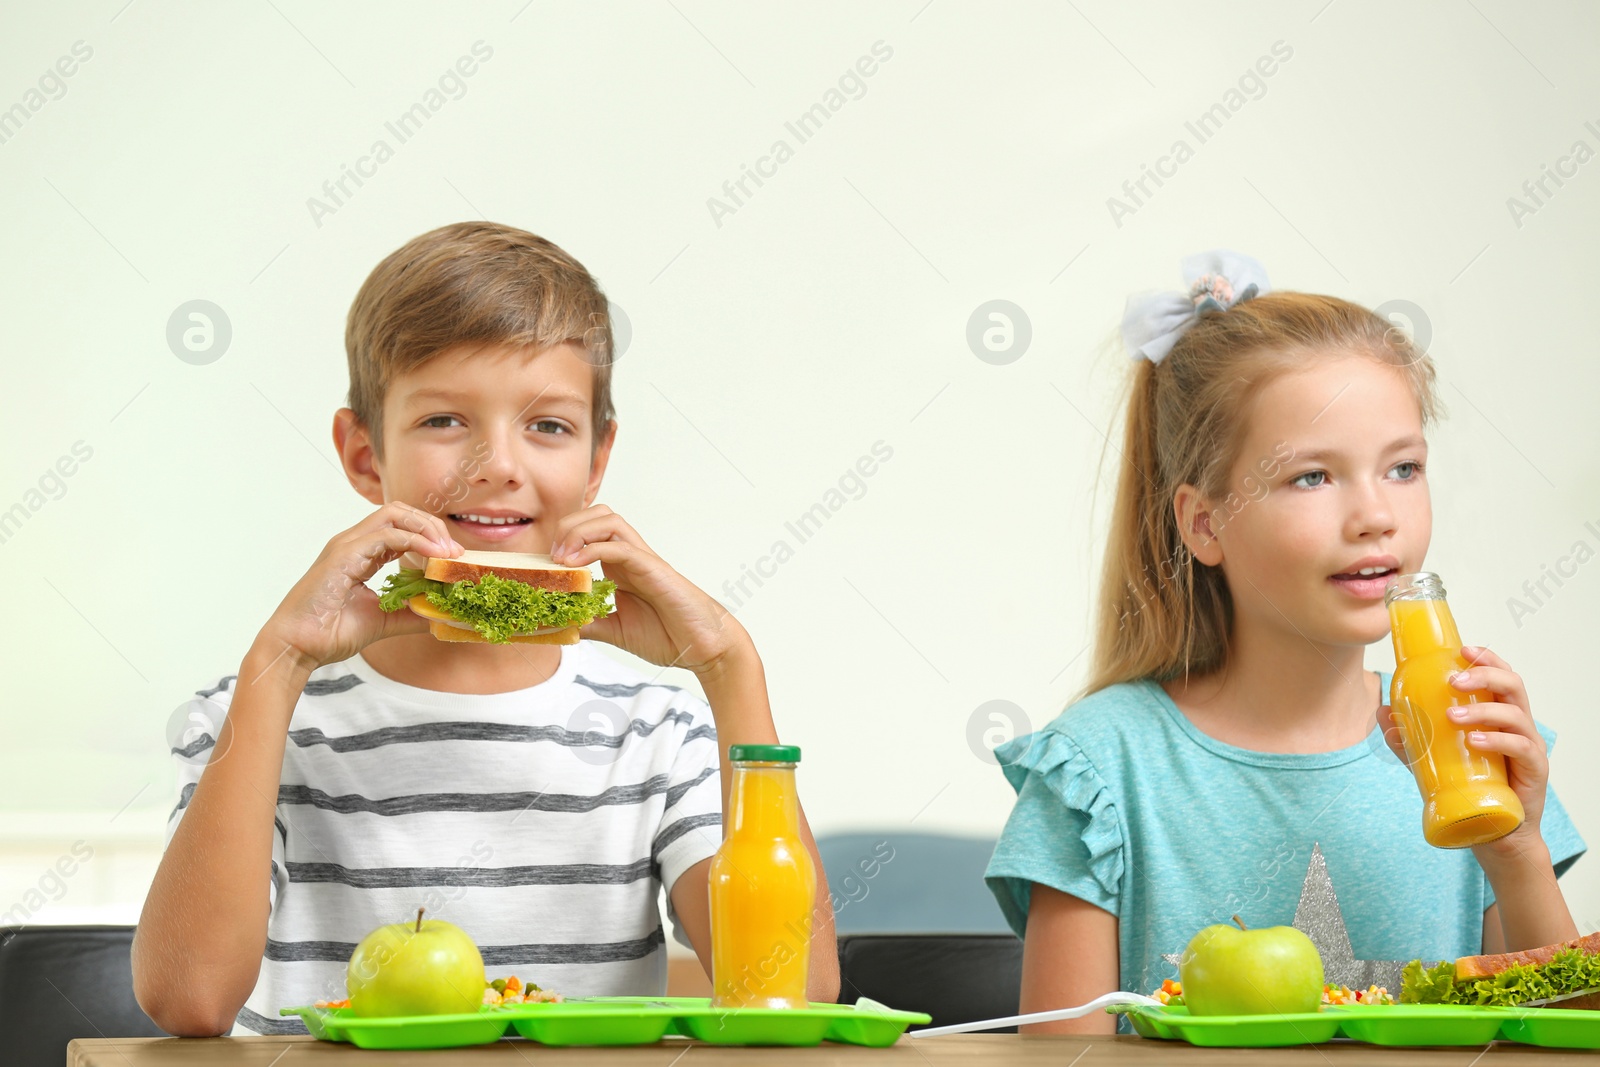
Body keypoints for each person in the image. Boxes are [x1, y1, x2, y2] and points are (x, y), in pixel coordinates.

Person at [132, 221, 838, 1036]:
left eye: (548, 426)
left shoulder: (659, 733)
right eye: (444, 421)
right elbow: (189, 999)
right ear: (364, 455)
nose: (499, 463)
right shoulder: (255, 717)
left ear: (597, 459)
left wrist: (729, 666)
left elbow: (799, 992)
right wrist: (280, 661)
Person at [984, 250, 1585, 1034]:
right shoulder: (1099, 772)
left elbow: (1567, 1040)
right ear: (1205, 523)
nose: (1376, 514)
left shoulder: (1481, 755)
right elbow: (1059, 1055)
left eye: (1403, 467)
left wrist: (1517, 850)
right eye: (1312, 477)